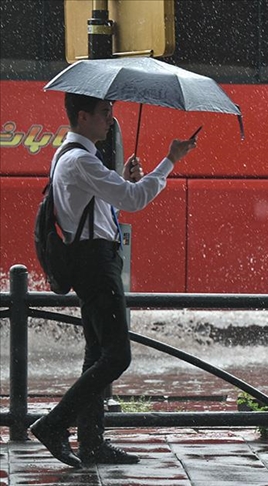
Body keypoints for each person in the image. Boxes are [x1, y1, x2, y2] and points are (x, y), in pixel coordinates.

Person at [29, 93, 196, 468]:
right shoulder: (83, 160)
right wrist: (170, 160)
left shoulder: (68, 157)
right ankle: (55, 425)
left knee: (96, 354)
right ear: (83, 117)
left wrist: (120, 181)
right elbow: (135, 200)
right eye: (105, 113)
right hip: (95, 264)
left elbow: (104, 205)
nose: (111, 120)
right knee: (117, 356)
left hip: (93, 260)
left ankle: (91, 442)